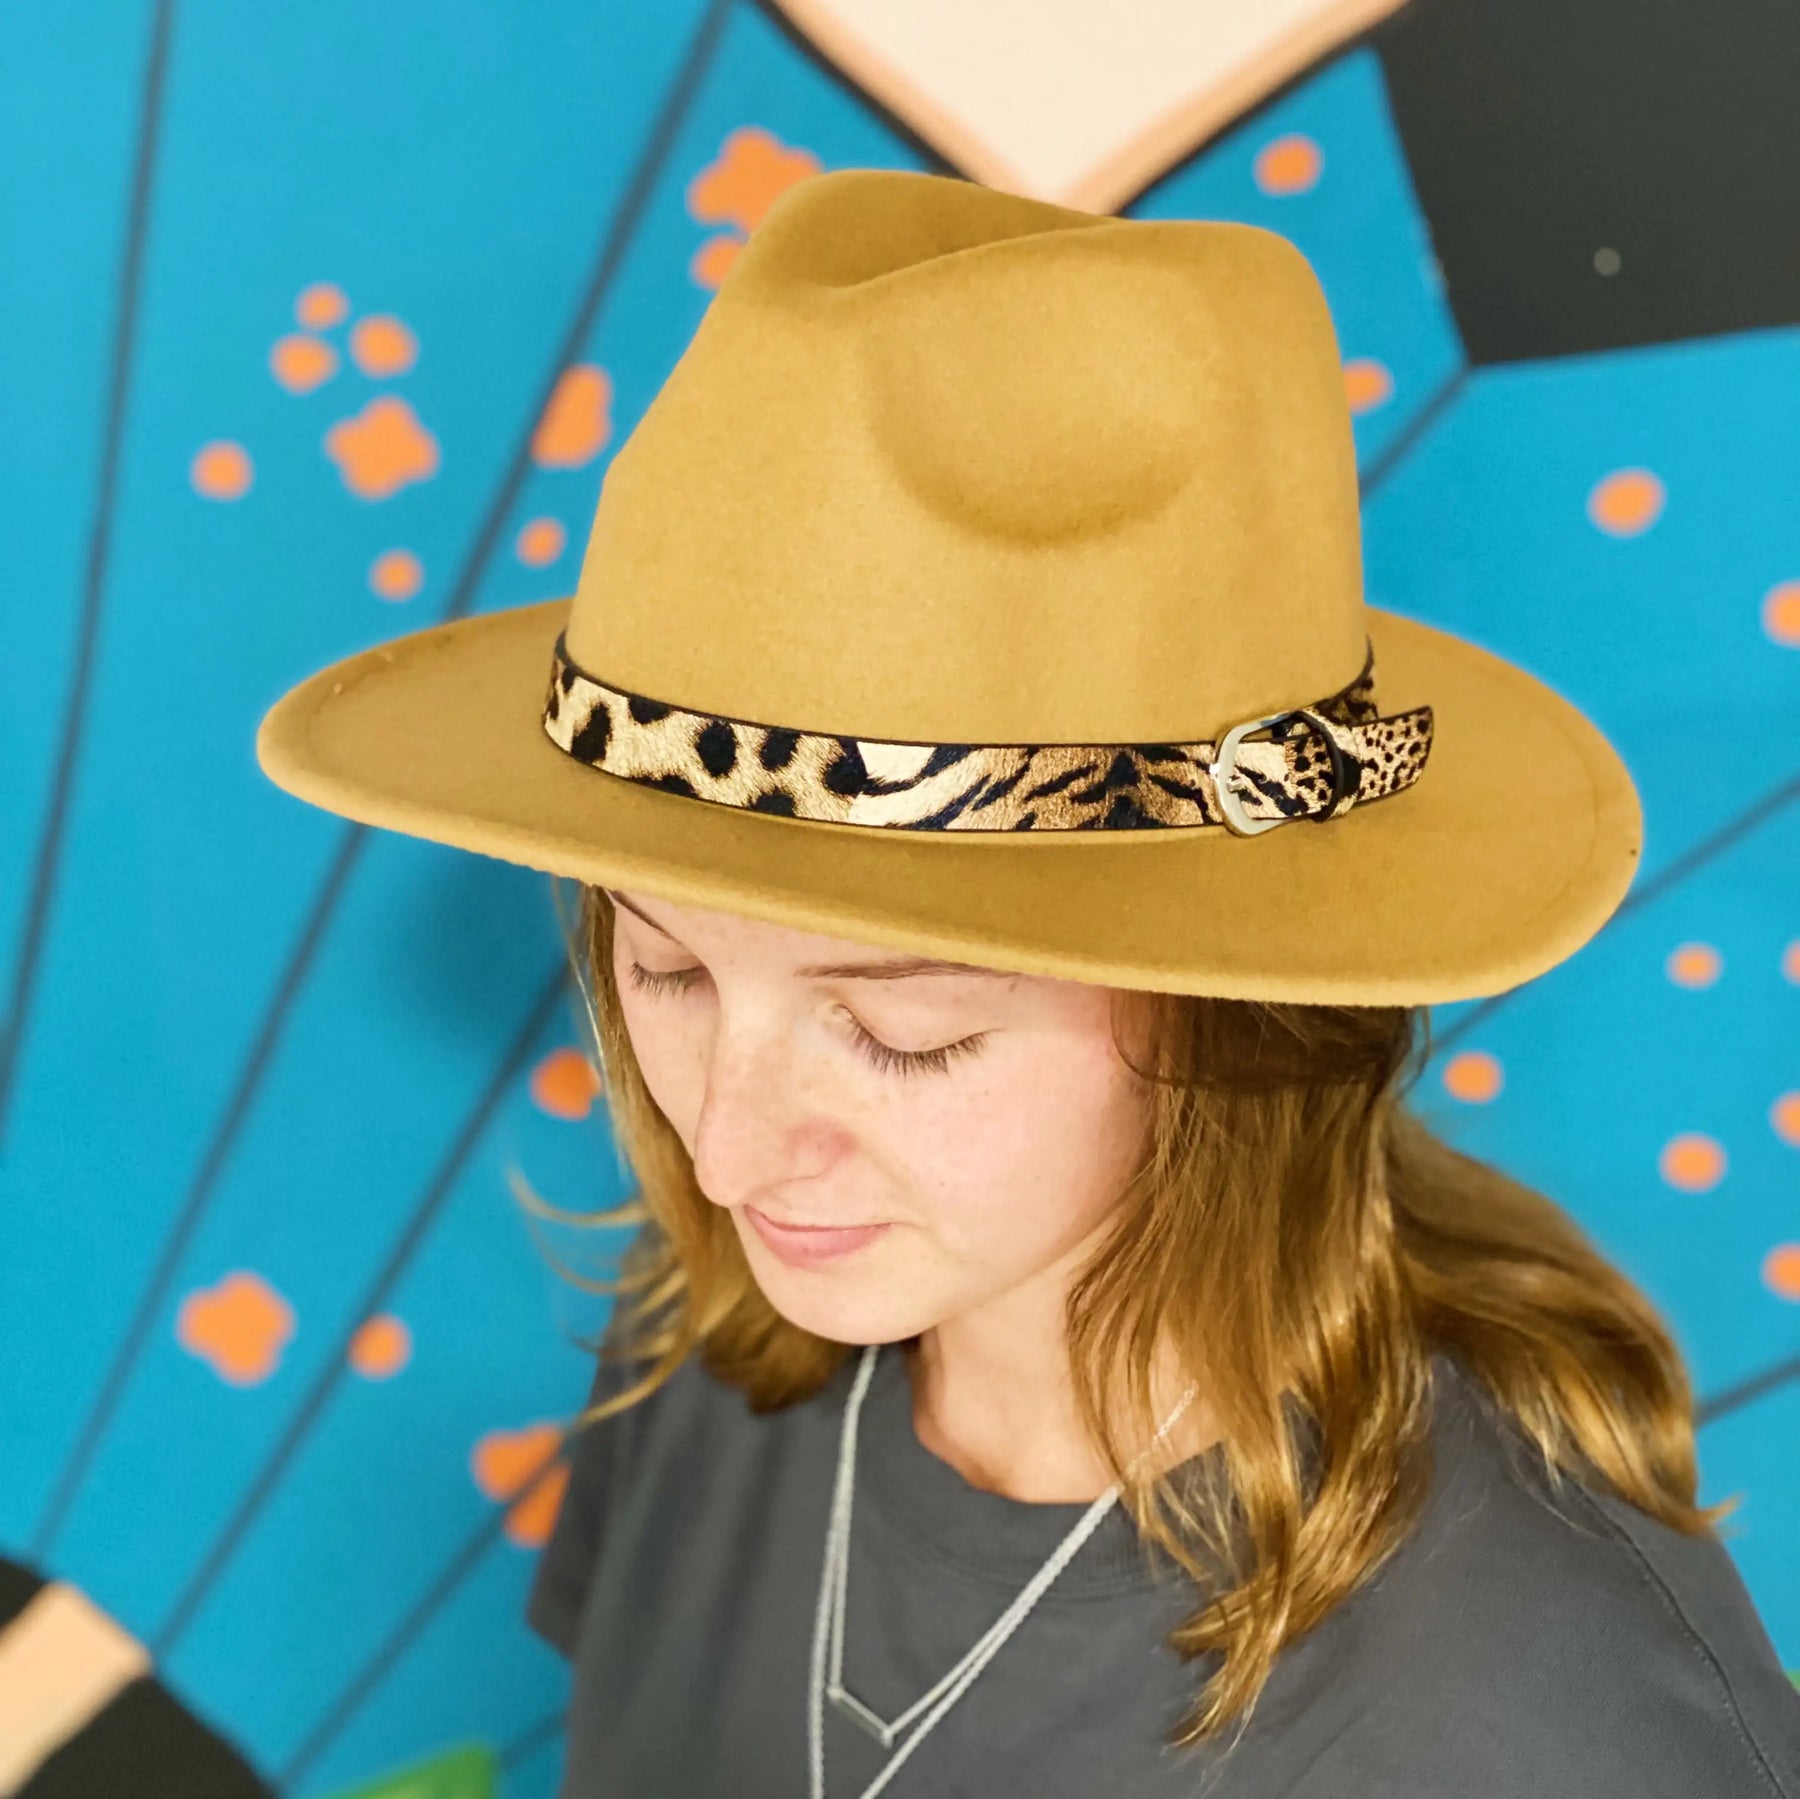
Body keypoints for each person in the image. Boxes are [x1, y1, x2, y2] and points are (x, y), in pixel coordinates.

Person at [255, 168, 1800, 1797]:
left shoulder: (1549, 1719)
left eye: (903, 1032)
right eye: (669, 970)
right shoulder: (715, 1325)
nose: (727, 1152)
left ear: (1235, 1000)